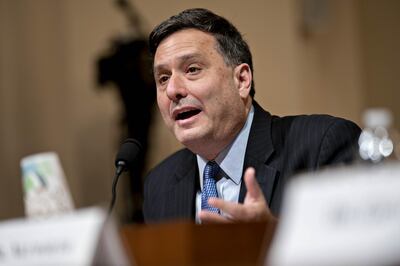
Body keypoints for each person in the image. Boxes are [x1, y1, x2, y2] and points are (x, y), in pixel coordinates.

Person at [143, 8, 361, 224]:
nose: (172, 90)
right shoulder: (159, 184)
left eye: (192, 69)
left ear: (241, 80)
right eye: (163, 78)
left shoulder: (322, 145)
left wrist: (272, 238)